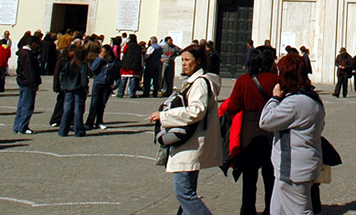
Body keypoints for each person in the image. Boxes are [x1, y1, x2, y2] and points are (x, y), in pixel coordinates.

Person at [149, 43, 223, 215]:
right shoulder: (193, 82)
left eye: (187, 60)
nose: (183, 63)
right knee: (186, 193)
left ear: (198, 61)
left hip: (190, 143)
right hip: (189, 142)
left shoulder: (199, 83)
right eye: (181, 60)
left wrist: (165, 116)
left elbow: (197, 110)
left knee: (184, 193)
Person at [259, 52, 325, 215]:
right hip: (298, 165)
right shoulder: (313, 98)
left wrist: (275, 98)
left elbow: (265, 121)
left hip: (293, 169)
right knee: (277, 211)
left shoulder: (295, 102)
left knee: (300, 212)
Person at [223, 45, 279, 215]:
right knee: (270, 176)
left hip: (249, 131)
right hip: (271, 132)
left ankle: (247, 210)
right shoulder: (276, 81)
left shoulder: (243, 80)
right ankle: (271, 209)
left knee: (249, 178)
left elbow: (233, 107)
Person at [57, 45, 89, 137]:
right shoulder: (83, 64)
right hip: (78, 89)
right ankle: (78, 130)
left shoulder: (70, 63)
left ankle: (63, 131)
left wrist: (63, 84)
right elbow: (83, 78)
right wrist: (85, 87)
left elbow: (62, 74)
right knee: (78, 110)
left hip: (68, 88)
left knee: (67, 110)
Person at [13, 35, 42, 134]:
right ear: (33, 44)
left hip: (23, 82)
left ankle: (18, 126)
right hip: (27, 83)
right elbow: (30, 70)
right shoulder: (27, 54)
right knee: (27, 106)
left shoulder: (22, 52)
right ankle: (23, 127)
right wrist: (34, 83)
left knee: (21, 105)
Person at [85, 44, 116, 130]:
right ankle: (89, 122)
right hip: (98, 83)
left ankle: (99, 121)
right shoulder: (99, 60)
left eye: (103, 51)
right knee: (94, 103)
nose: (102, 53)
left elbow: (117, 73)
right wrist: (99, 59)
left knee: (102, 104)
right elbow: (92, 69)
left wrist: (115, 85)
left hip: (107, 85)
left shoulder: (113, 61)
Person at [117, 33, 142, 98]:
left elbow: (122, 54)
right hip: (135, 65)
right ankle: (132, 93)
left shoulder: (127, 45)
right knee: (133, 79)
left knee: (124, 79)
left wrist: (122, 61)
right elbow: (141, 56)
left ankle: (120, 92)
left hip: (126, 64)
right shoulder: (138, 47)